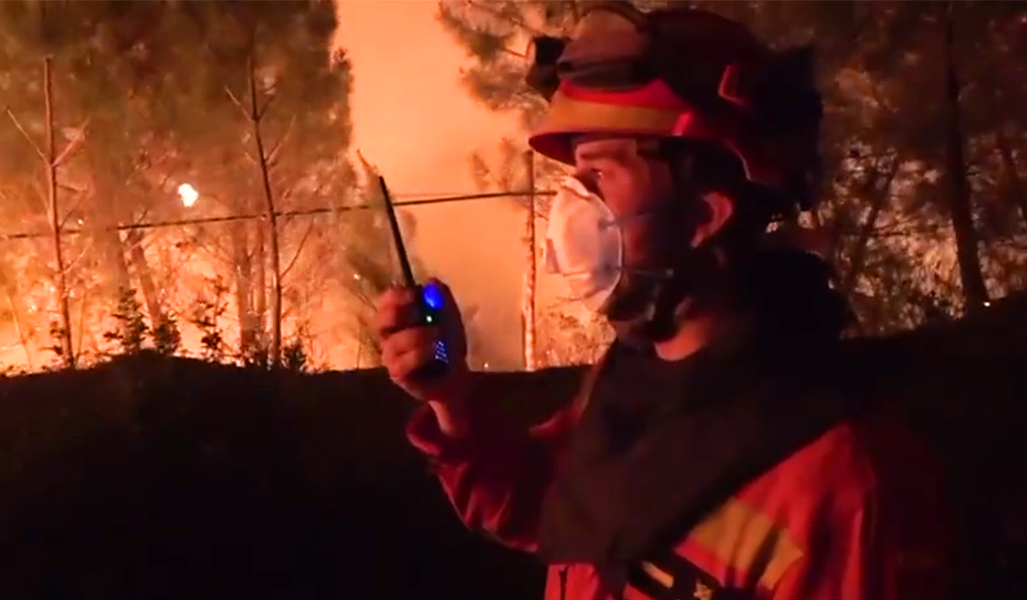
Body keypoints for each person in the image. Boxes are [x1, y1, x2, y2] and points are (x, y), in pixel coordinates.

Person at [375, 3, 950, 599]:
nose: (571, 210)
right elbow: (546, 514)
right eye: (575, 178)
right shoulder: (630, 383)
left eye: (599, 178)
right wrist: (453, 400)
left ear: (704, 216)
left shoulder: (844, 484)